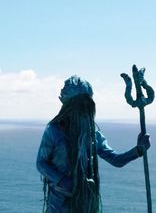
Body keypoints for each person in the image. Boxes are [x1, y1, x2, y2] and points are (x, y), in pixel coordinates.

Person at [36, 75, 151, 213]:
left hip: (87, 202)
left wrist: (138, 150)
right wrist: (63, 181)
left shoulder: (92, 132)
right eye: (80, 104)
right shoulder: (54, 130)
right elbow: (41, 163)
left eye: (87, 104)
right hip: (59, 204)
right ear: (70, 106)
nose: (84, 108)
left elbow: (116, 160)